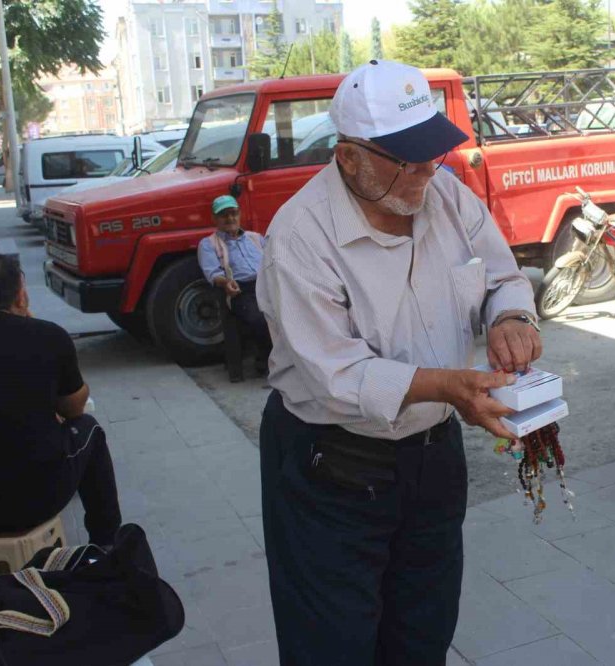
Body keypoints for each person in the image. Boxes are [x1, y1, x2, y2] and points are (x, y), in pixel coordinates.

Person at [256, 59, 542, 666]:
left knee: (422, 635)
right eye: (402, 160)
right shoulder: (300, 238)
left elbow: (502, 277)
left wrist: (511, 316)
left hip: (433, 461)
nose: (421, 175)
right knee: (331, 646)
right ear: (348, 155)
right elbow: (336, 377)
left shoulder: (446, 195)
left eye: (429, 155)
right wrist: (448, 386)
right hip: (333, 467)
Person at [0, 254, 122, 547]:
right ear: (21, 296)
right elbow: (73, 407)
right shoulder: (48, 336)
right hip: (34, 500)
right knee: (89, 428)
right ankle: (106, 547)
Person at [197, 194, 272, 378]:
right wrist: (226, 282)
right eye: (224, 215)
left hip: (267, 285)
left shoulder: (255, 238)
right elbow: (213, 273)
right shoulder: (209, 244)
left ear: (240, 214)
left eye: (233, 213)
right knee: (260, 319)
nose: (230, 218)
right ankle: (266, 360)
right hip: (241, 290)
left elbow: (274, 258)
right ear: (215, 219)